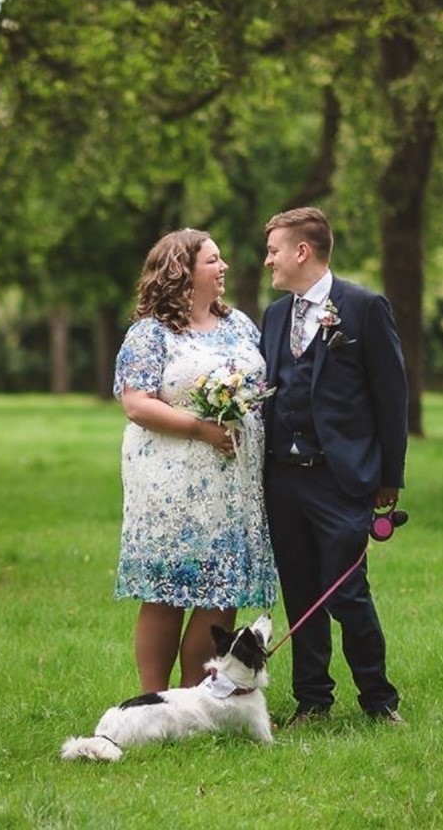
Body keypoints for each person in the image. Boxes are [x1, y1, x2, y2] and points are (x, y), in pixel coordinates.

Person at [258, 207, 408, 725]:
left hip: (340, 476)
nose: (267, 261)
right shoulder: (275, 315)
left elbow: (392, 398)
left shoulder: (364, 308)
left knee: (346, 588)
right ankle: (313, 700)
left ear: (302, 251)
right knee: (300, 590)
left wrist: (390, 477)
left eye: (274, 250)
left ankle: (379, 700)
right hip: (282, 478)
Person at [112, 228, 277, 693]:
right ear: (182, 271)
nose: (223, 267)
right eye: (213, 260)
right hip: (172, 479)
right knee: (167, 591)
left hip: (235, 482)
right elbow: (137, 404)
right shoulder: (150, 334)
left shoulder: (240, 325)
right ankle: (152, 698)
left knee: (222, 588)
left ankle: (195, 698)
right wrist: (201, 429)